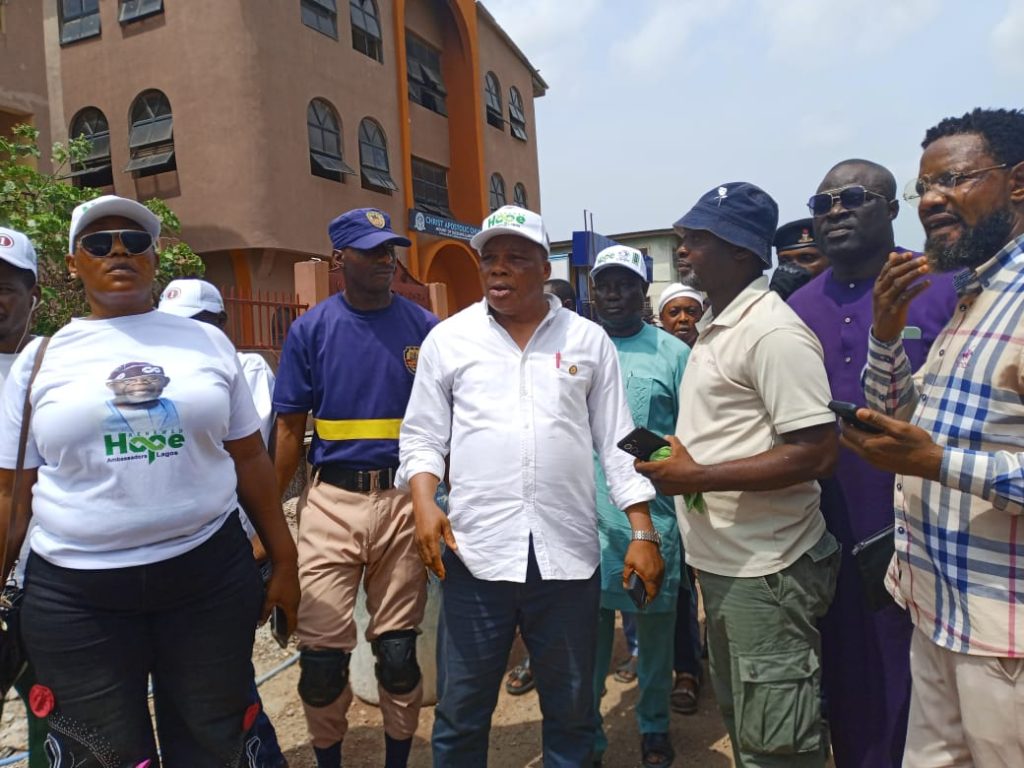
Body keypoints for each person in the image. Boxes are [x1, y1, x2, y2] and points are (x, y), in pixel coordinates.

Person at [0, 195, 300, 767]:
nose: (118, 250)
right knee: (101, 754)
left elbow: (250, 462)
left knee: (220, 742)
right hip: (77, 597)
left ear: (154, 258)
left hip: (206, 580)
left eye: (134, 241)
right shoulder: (41, 363)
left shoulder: (207, 344)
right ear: (72, 262)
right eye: (98, 242)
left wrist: (284, 559)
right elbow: (11, 498)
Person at [397, 205, 664, 767]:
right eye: (489, 259)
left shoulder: (588, 341)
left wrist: (643, 529)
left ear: (545, 268)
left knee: (571, 713)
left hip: (566, 561)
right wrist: (424, 501)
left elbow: (619, 440)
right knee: (461, 713)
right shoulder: (449, 340)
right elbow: (421, 437)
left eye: (516, 258)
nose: (499, 270)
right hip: (475, 557)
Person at [841, 107, 1024, 768]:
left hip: (1003, 637)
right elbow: (903, 417)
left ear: (1018, 183)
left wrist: (939, 463)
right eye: (924, 189)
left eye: (952, 181)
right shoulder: (973, 295)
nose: (931, 202)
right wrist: (885, 334)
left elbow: (929, 452)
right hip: (937, 610)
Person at [637, 182, 840, 768]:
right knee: (749, 730)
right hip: (727, 563)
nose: (685, 250)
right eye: (685, 238)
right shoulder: (716, 326)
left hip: (767, 571)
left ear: (744, 253)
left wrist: (697, 475)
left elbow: (817, 452)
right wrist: (680, 452)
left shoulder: (772, 332)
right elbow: (734, 431)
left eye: (700, 239)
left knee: (779, 747)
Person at [788, 159, 957, 767]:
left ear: (890, 209)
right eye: (822, 201)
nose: (834, 211)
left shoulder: (946, 286)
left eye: (853, 198)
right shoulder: (796, 308)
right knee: (851, 668)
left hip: (931, 520)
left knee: (928, 675)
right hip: (831, 519)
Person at [273, 207, 437, 768]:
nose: (385, 261)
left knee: (396, 654)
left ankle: (396, 760)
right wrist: (267, 519)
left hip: (403, 502)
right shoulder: (311, 329)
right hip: (332, 503)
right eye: (371, 251)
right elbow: (290, 430)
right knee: (321, 663)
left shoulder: (425, 329)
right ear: (340, 260)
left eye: (389, 250)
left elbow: (449, 423)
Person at [158, 278, 287, 768]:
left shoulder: (244, 368)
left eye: (201, 326)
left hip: (227, 544)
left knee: (224, 683)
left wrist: (273, 549)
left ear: (220, 327)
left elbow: (243, 454)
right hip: (160, 557)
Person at [589, 244, 688, 768]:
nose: (613, 293)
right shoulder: (571, 348)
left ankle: (653, 725)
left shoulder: (673, 354)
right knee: (585, 645)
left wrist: (623, 441)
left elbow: (690, 441)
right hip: (579, 523)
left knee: (652, 642)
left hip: (650, 524)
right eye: (604, 283)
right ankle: (589, 737)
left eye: (625, 283)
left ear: (643, 290)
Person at [505, 277, 582, 699]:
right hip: (502, 522)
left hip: (575, 508)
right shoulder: (457, 340)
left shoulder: (585, 344)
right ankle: (534, 657)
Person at [0, 226, 47, 767]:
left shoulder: (55, 367)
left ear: (33, 297)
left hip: (40, 584)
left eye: (7, 286)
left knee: (52, 714)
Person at [654, 282, 707, 715]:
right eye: (675, 312)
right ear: (661, 317)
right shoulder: (646, 356)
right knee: (680, 584)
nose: (684, 319)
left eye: (692, 311)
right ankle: (684, 669)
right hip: (663, 487)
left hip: (714, 480)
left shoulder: (710, 356)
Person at [656, 283, 704, 348]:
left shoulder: (714, 351)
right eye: (674, 312)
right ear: (661, 317)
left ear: (702, 315)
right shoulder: (652, 352)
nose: (683, 318)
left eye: (691, 312)